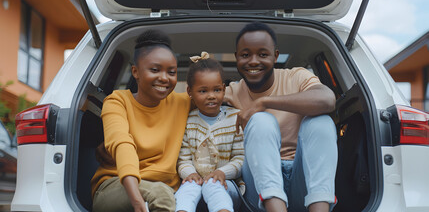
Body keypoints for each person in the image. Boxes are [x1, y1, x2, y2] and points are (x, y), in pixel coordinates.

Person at [224, 22, 338, 212]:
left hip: (302, 180)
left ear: (275, 55)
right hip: (259, 189)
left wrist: (265, 102)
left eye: (262, 54)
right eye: (245, 55)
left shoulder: (296, 77)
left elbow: (327, 100)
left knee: (321, 121)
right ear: (237, 58)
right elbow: (186, 100)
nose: (253, 61)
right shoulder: (230, 92)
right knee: (261, 120)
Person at [90, 30, 191, 212]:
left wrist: (260, 102)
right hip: (116, 186)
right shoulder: (117, 101)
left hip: (165, 191)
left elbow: (223, 94)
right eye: (155, 69)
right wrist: (137, 200)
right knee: (160, 193)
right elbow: (122, 144)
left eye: (172, 72)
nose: (164, 78)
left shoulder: (182, 103)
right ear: (135, 72)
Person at [175, 52, 244, 212]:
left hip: (228, 185)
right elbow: (183, 159)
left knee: (213, 185)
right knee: (188, 188)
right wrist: (190, 174)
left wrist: (221, 172)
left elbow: (240, 158)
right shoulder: (189, 121)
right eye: (203, 91)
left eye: (217, 90)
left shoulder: (235, 118)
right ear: (190, 92)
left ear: (224, 89)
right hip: (197, 182)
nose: (211, 96)